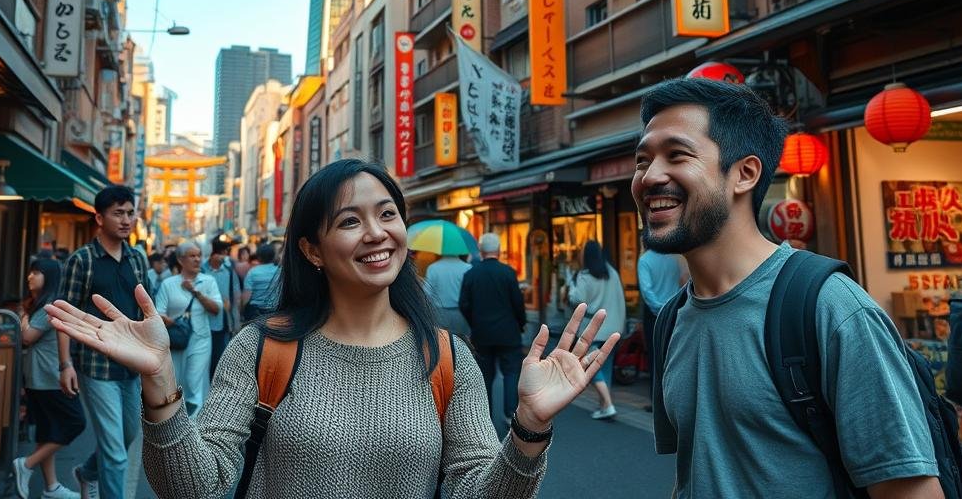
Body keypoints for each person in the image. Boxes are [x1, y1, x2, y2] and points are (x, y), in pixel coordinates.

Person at [47, 158, 621, 498]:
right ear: (312, 249)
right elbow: (197, 485)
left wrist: (527, 429)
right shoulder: (260, 348)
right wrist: (161, 388)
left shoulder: (445, 355)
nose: (377, 233)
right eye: (350, 221)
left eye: (387, 214)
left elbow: (479, 491)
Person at [638, 78, 942, 497]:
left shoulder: (831, 308)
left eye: (676, 155)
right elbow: (701, 471)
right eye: (642, 160)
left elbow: (909, 491)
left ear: (744, 174)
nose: (650, 176)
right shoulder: (672, 320)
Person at [57, 185, 150, 499]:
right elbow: (64, 315)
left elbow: (145, 311)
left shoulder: (138, 259)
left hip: (131, 364)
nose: (126, 220)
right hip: (95, 365)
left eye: (129, 212)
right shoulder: (81, 260)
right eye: (117, 213)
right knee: (115, 451)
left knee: (126, 436)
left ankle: (86, 472)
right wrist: (65, 363)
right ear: (99, 218)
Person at [14, 258, 84, 499]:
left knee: (64, 425)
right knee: (64, 425)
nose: (30, 276)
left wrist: (22, 314)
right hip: (45, 377)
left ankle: (50, 485)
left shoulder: (48, 305)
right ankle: (29, 466)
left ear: (50, 277)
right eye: (30, 272)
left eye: (36, 272)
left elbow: (26, 336)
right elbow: (27, 337)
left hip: (47, 377)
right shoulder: (40, 305)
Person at [458, 232, 527, 429]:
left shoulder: (471, 274)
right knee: (511, 372)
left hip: (482, 333)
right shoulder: (508, 272)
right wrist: (520, 324)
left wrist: (475, 322)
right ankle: (510, 413)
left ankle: (485, 415)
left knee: (485, 375)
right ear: (498, 250)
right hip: (509, 333)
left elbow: (464, 304)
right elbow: (517, 303)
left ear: (481, 251)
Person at [153, 241, 221, 418]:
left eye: (199, 255)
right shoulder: (169, 284)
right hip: (176, 340)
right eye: (192, 256)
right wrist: (173, 322)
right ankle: (176, 420)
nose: (198, 259)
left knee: (193, 382)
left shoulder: (209, 281)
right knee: (176, 382)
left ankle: (193, 426)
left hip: (201, 339)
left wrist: (195, 292)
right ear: (181, 260)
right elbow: (158, 312)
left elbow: (216, 309)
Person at [568, 240, 627, 420]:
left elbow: (577, 299)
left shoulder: (585, 276)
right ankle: (603, 405)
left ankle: (608, 405)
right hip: (614, 328)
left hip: (593, 330)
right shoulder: (612, 273)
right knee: (605, 367)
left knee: (589, 368)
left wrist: (571, 283)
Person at [637, 248, 685, 410]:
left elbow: (646, 290)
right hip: (674, 310)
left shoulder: (645, 260)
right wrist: (672, 306)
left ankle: (657, 402)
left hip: (654, 314)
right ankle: (673, 399)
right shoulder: (674, 258)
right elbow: (680, 283)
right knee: (673, 355)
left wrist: (659, 308)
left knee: (655, 357)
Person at [204, 239, 240, 373]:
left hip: (223, 319)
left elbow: (236, 295)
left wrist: (236, 321)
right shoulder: (202, 269)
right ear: (213, 254)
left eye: (225, 253)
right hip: (204, 319)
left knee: (219, 356)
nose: (224, 256)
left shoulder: (229, 271)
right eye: (222, 253)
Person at [424, 252, 472, 336]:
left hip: (439, 313)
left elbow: (427, 293)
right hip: (462, 314)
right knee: (463, 342)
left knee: (442, 343)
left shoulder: (433, 268)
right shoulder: (468, 268)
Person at [240, 243, 280, 321]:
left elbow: (246, 297)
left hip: (255, 313)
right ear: (273, 256)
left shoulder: (252, 272)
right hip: (275, 312)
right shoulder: (279, 271)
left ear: (258, 257)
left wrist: (242, 311)